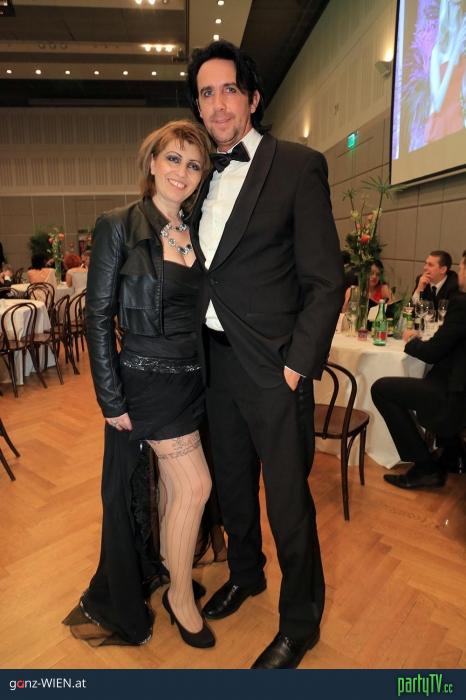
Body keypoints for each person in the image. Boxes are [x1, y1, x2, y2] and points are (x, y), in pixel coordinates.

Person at [186, 40, 344, 669]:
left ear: (252, 98)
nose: (217, 104)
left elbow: (326, 281)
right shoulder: (198, 177)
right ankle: (247, 574)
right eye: (205, 93)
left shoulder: (298, 166)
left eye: (228, 89)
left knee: (287, 502)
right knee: (231, 483)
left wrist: (296, 366)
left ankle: (300, 622)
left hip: (275, 370)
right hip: (215, 363)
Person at [63, 120, 216, 648]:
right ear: (152, 163)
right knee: (195, 486)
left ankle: (174, 573)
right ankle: (180, 598)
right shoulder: (119, 224)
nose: (182, 172)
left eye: (193, 164)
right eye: (173, 159)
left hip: (191, 381)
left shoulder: (197, 231)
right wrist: (110, 398)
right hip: (146, 381)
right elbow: (98, 316)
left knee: (176, 490)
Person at [372, 250, 466, 490]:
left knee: (381, 389)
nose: (460, 272)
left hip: (453, 392)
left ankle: (425, 467)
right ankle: (453, 454)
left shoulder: (461, 303)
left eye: (463, 267)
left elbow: (433, 351)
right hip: (454, 383)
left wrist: (411, 343)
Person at [424, 0, 466, 144]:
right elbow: (437, 103)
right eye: (455, 5)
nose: (459, 10)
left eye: (461, 6)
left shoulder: (463, 50)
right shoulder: (438, 50)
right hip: (440, 128)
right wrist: (455, 51)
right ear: (447, 10)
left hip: (457, 124)